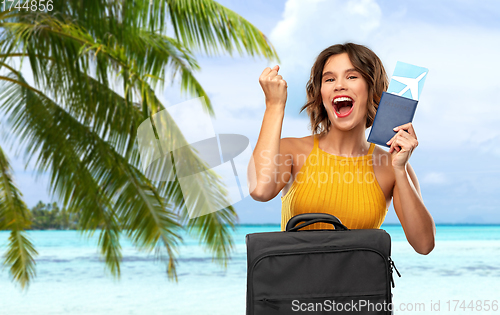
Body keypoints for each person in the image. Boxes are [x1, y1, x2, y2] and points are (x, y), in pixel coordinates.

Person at [248, 43, 435, 255]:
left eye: (352, 77)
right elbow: (260, 190)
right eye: (329, 79)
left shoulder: (393, 166)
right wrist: (274, 106)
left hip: (362, 288)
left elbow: (424, 245)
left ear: (371, 89)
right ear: (321, 95)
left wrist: (400, 170)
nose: (339, 85)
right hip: (294, 286)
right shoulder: (291, 150)